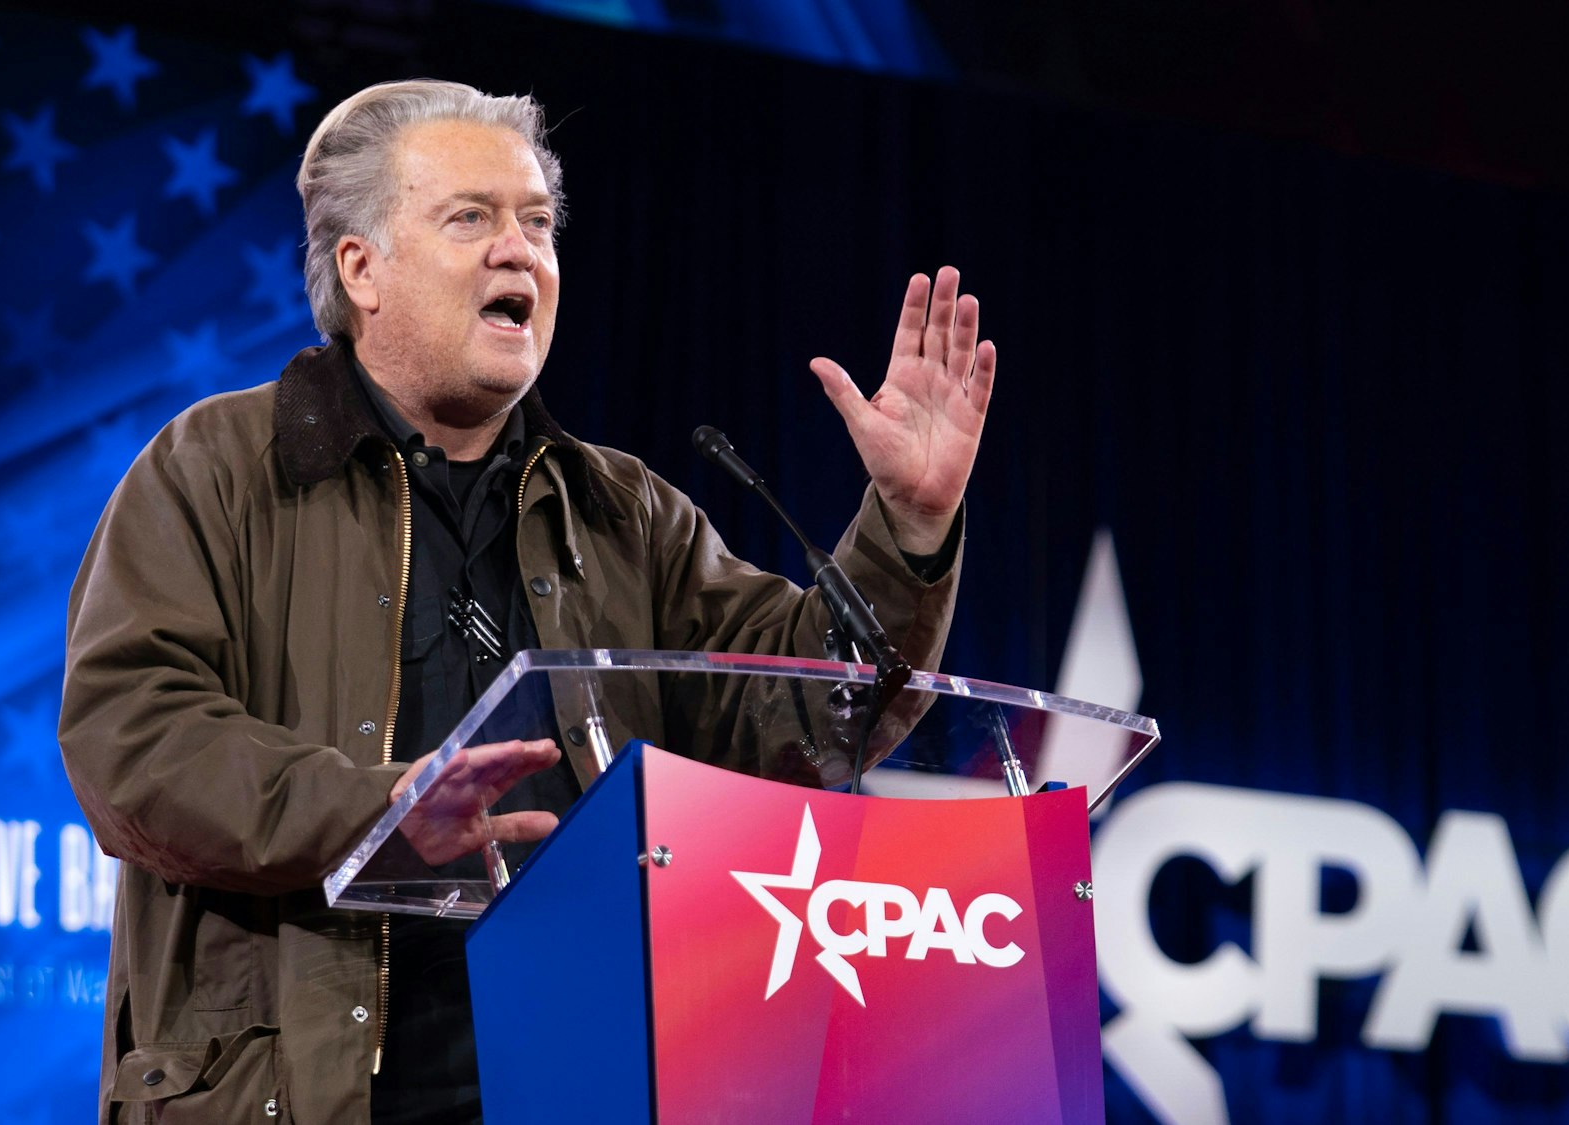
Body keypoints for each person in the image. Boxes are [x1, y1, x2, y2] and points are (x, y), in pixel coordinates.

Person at [59, 78, 997, 1124]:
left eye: (538, 224)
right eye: (470, 218)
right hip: (298, 1092)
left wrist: (905, 528)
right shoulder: (221, 469)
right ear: (359, 269)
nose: (522, 252)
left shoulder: (624, 511)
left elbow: (796, 714)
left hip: (577, 1084)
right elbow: (132, 741)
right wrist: (380, 811)